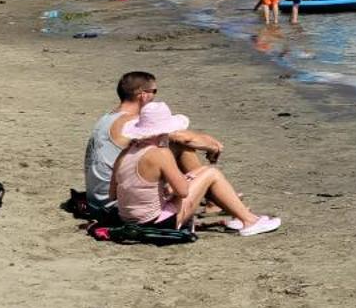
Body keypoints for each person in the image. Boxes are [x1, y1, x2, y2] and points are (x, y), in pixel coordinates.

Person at [112, 98, 278, 236]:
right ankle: (249, 221)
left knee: (203, 171)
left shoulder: (125, 153)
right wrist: (176, 185)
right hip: (155, 223)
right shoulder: (160, 154)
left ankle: (239, 215)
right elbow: (183, 191)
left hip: (127, 219)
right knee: (212, 173)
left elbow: (112, 193)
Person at [84, 70, 225, 220]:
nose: (155, 96)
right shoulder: (130, 121)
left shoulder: (107, 118)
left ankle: (214, 197)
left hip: (96, 200)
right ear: (143, 95)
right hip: (114, 205)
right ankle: (215, 197)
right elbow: (184, 138)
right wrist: (213, 146)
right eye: (154, 91)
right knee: (181, 147)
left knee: (164, 146)